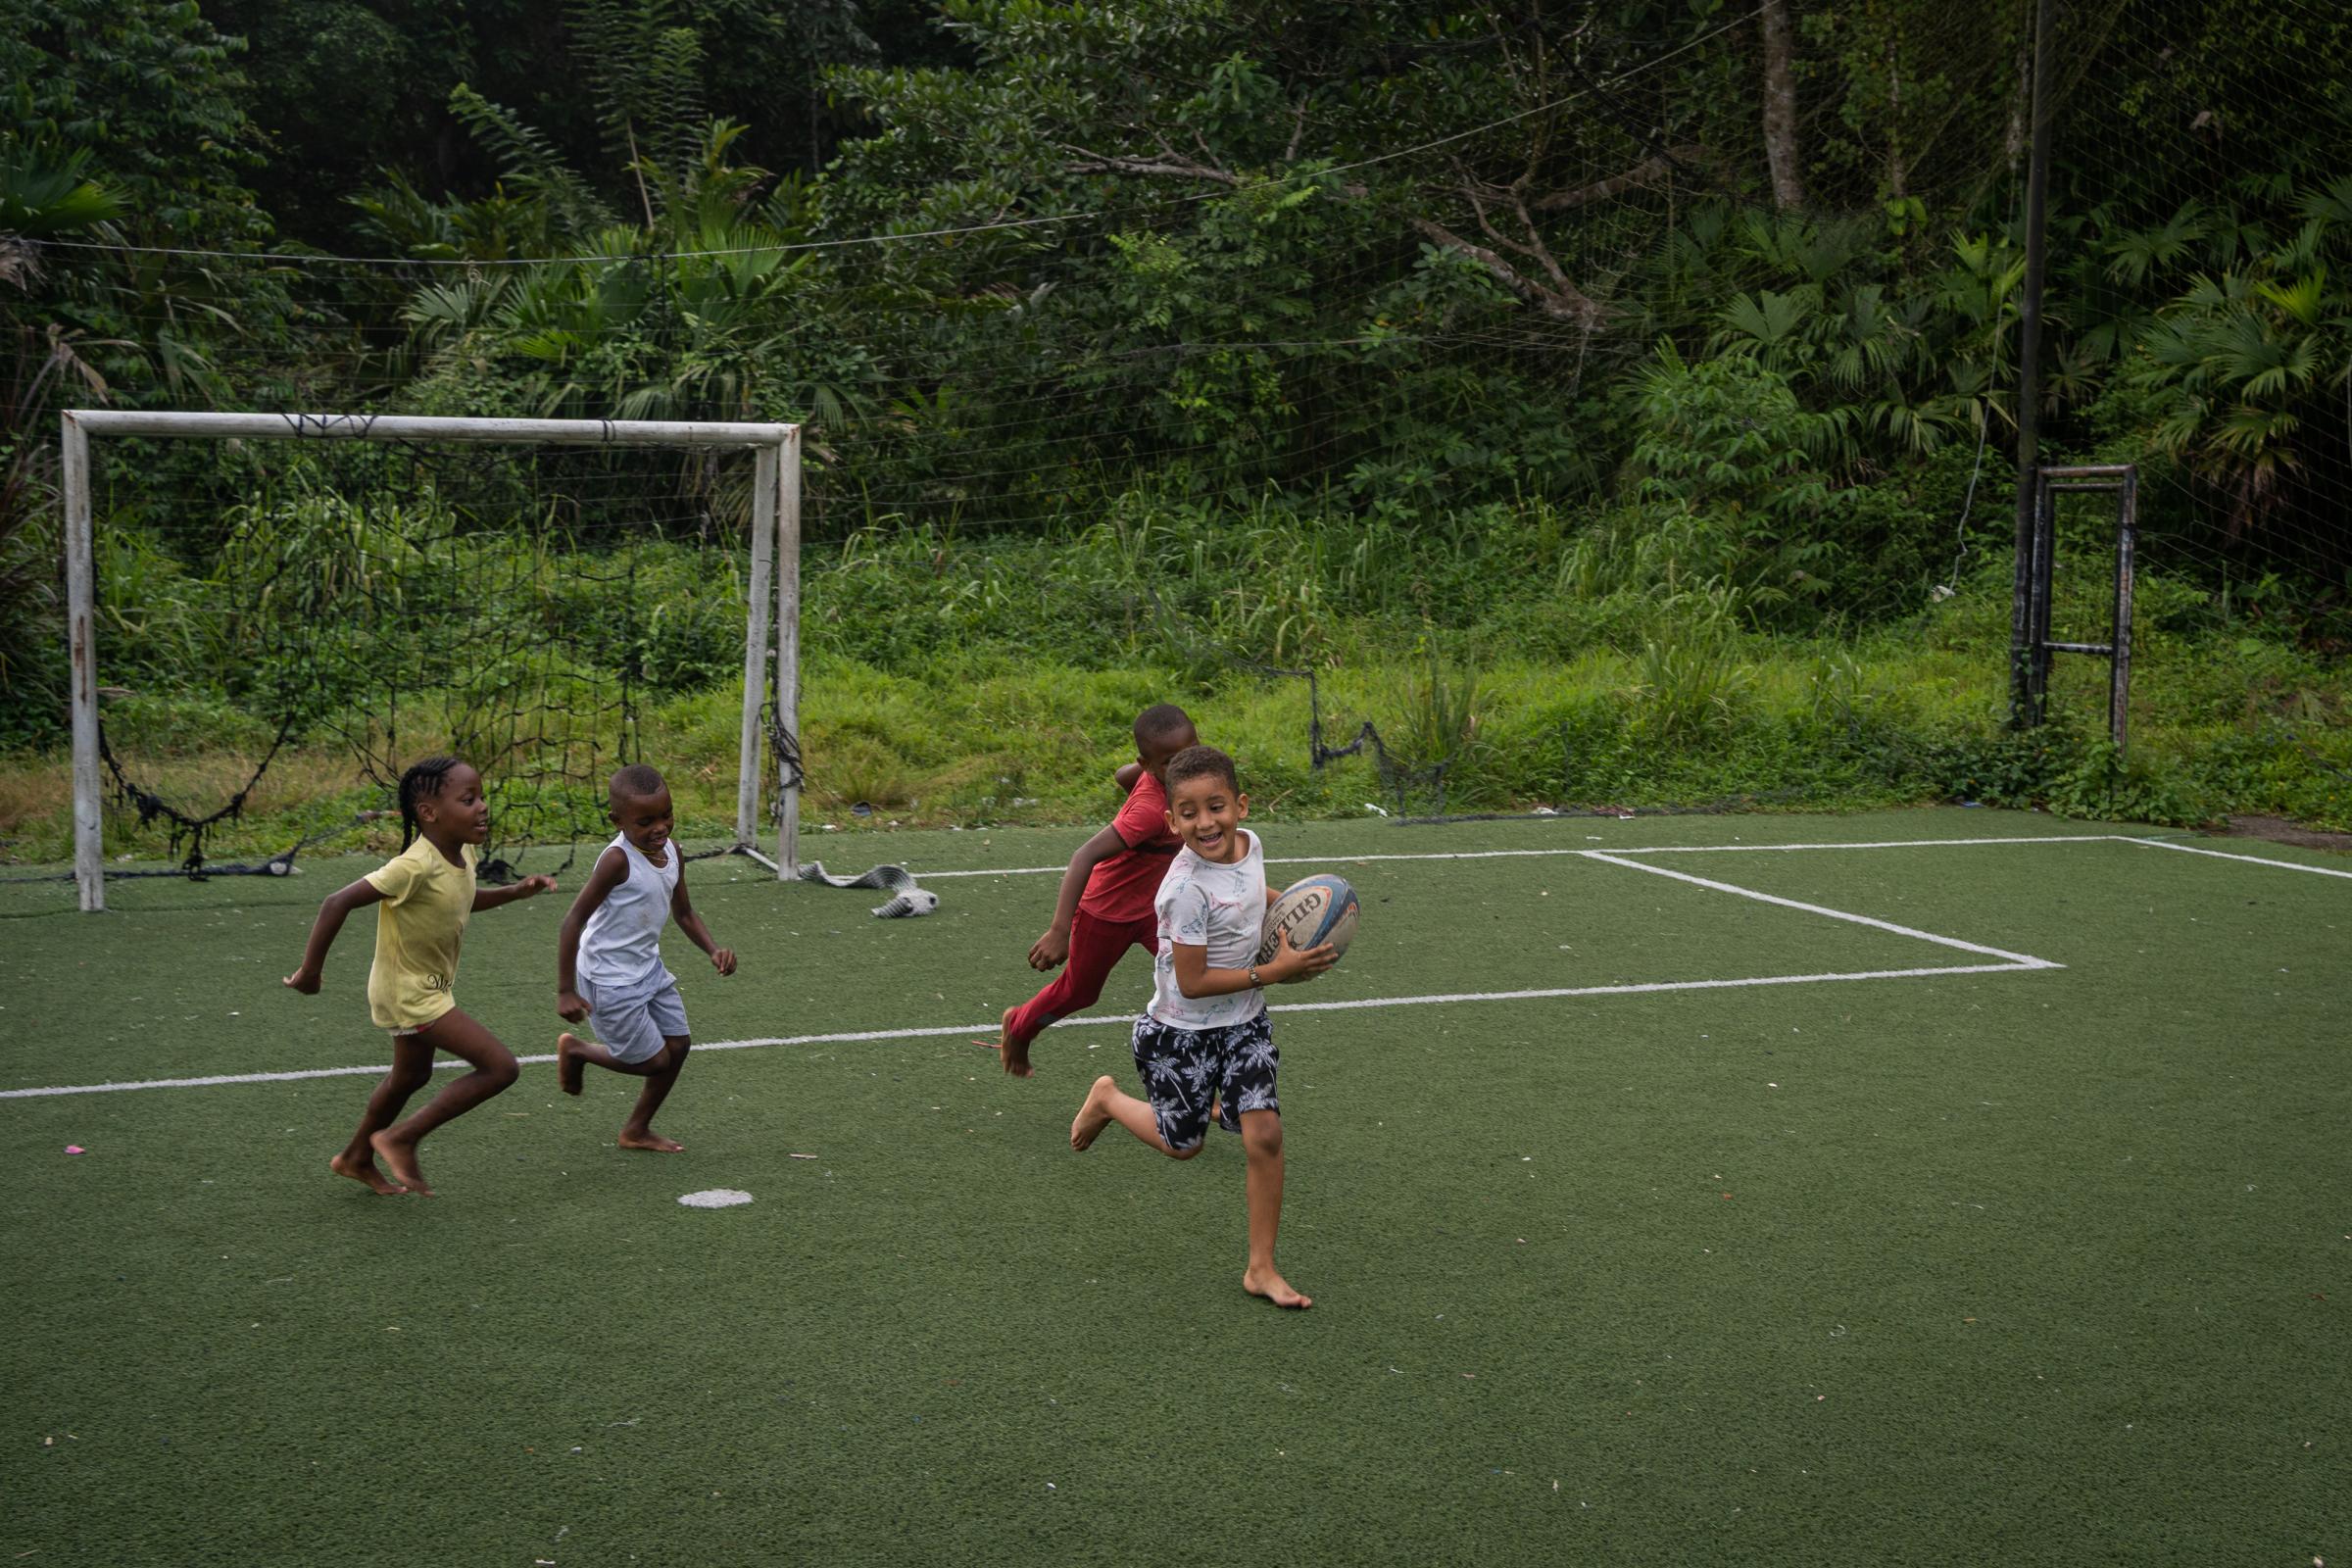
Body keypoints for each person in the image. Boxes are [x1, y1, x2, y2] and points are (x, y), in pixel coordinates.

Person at [1069, 743, 1334, 1308]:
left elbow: (1250, 892)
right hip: (1180, 1032)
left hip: (1244, 1024)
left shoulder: (1250, 846)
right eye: (1188, 813)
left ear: (1240, 805)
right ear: (1170, 821)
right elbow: (1192, 982)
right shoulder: (1183, 890)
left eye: (1216, 807)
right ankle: (1109, 1099)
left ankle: (1260, 1267)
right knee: (1182, 1145)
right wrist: (1274, 971)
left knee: (1265, 1134)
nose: (1205, 822)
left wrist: (1293, 907)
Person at [284, 757, 557, 1198]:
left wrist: (514, 891)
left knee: (409, 1077)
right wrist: (310, 973)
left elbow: (461, 899)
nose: (483, 807)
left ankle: (355, 1157)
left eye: (482, 796)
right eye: (468, 800)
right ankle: (401, 1137)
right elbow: (336, 902)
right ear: (429, 813)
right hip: (409, 991)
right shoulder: (412, 866)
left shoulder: (463, 852)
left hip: (425, 985)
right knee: (500, 1067)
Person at [987, 703, 1198, 1077]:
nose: (1183, 766)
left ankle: (1194, 1071)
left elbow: (1122, 775)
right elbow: (1083, 856)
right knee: (1080, 992)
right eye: (1169, 762)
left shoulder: (1174, 777)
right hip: (1108, 912)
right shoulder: (1149, 812)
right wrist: (1058, 930)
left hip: (1154, 908)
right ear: (1150, 764)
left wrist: (1153, 768)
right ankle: (1019, 1027)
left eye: (1190, 752)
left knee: (1192, 976)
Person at [554, 763, 736, 1152]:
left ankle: (636, 1130)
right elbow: (573, 921)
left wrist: (713, 949)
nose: (660, 827)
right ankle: (578, 1050)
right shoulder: (617, 862)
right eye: (646, 821)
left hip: (647, 967)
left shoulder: (672, 851)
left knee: (679, 1045)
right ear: (617, 821)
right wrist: (566, 989)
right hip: (609, 978)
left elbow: (683, 912)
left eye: (667, 814)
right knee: (655, 1061)